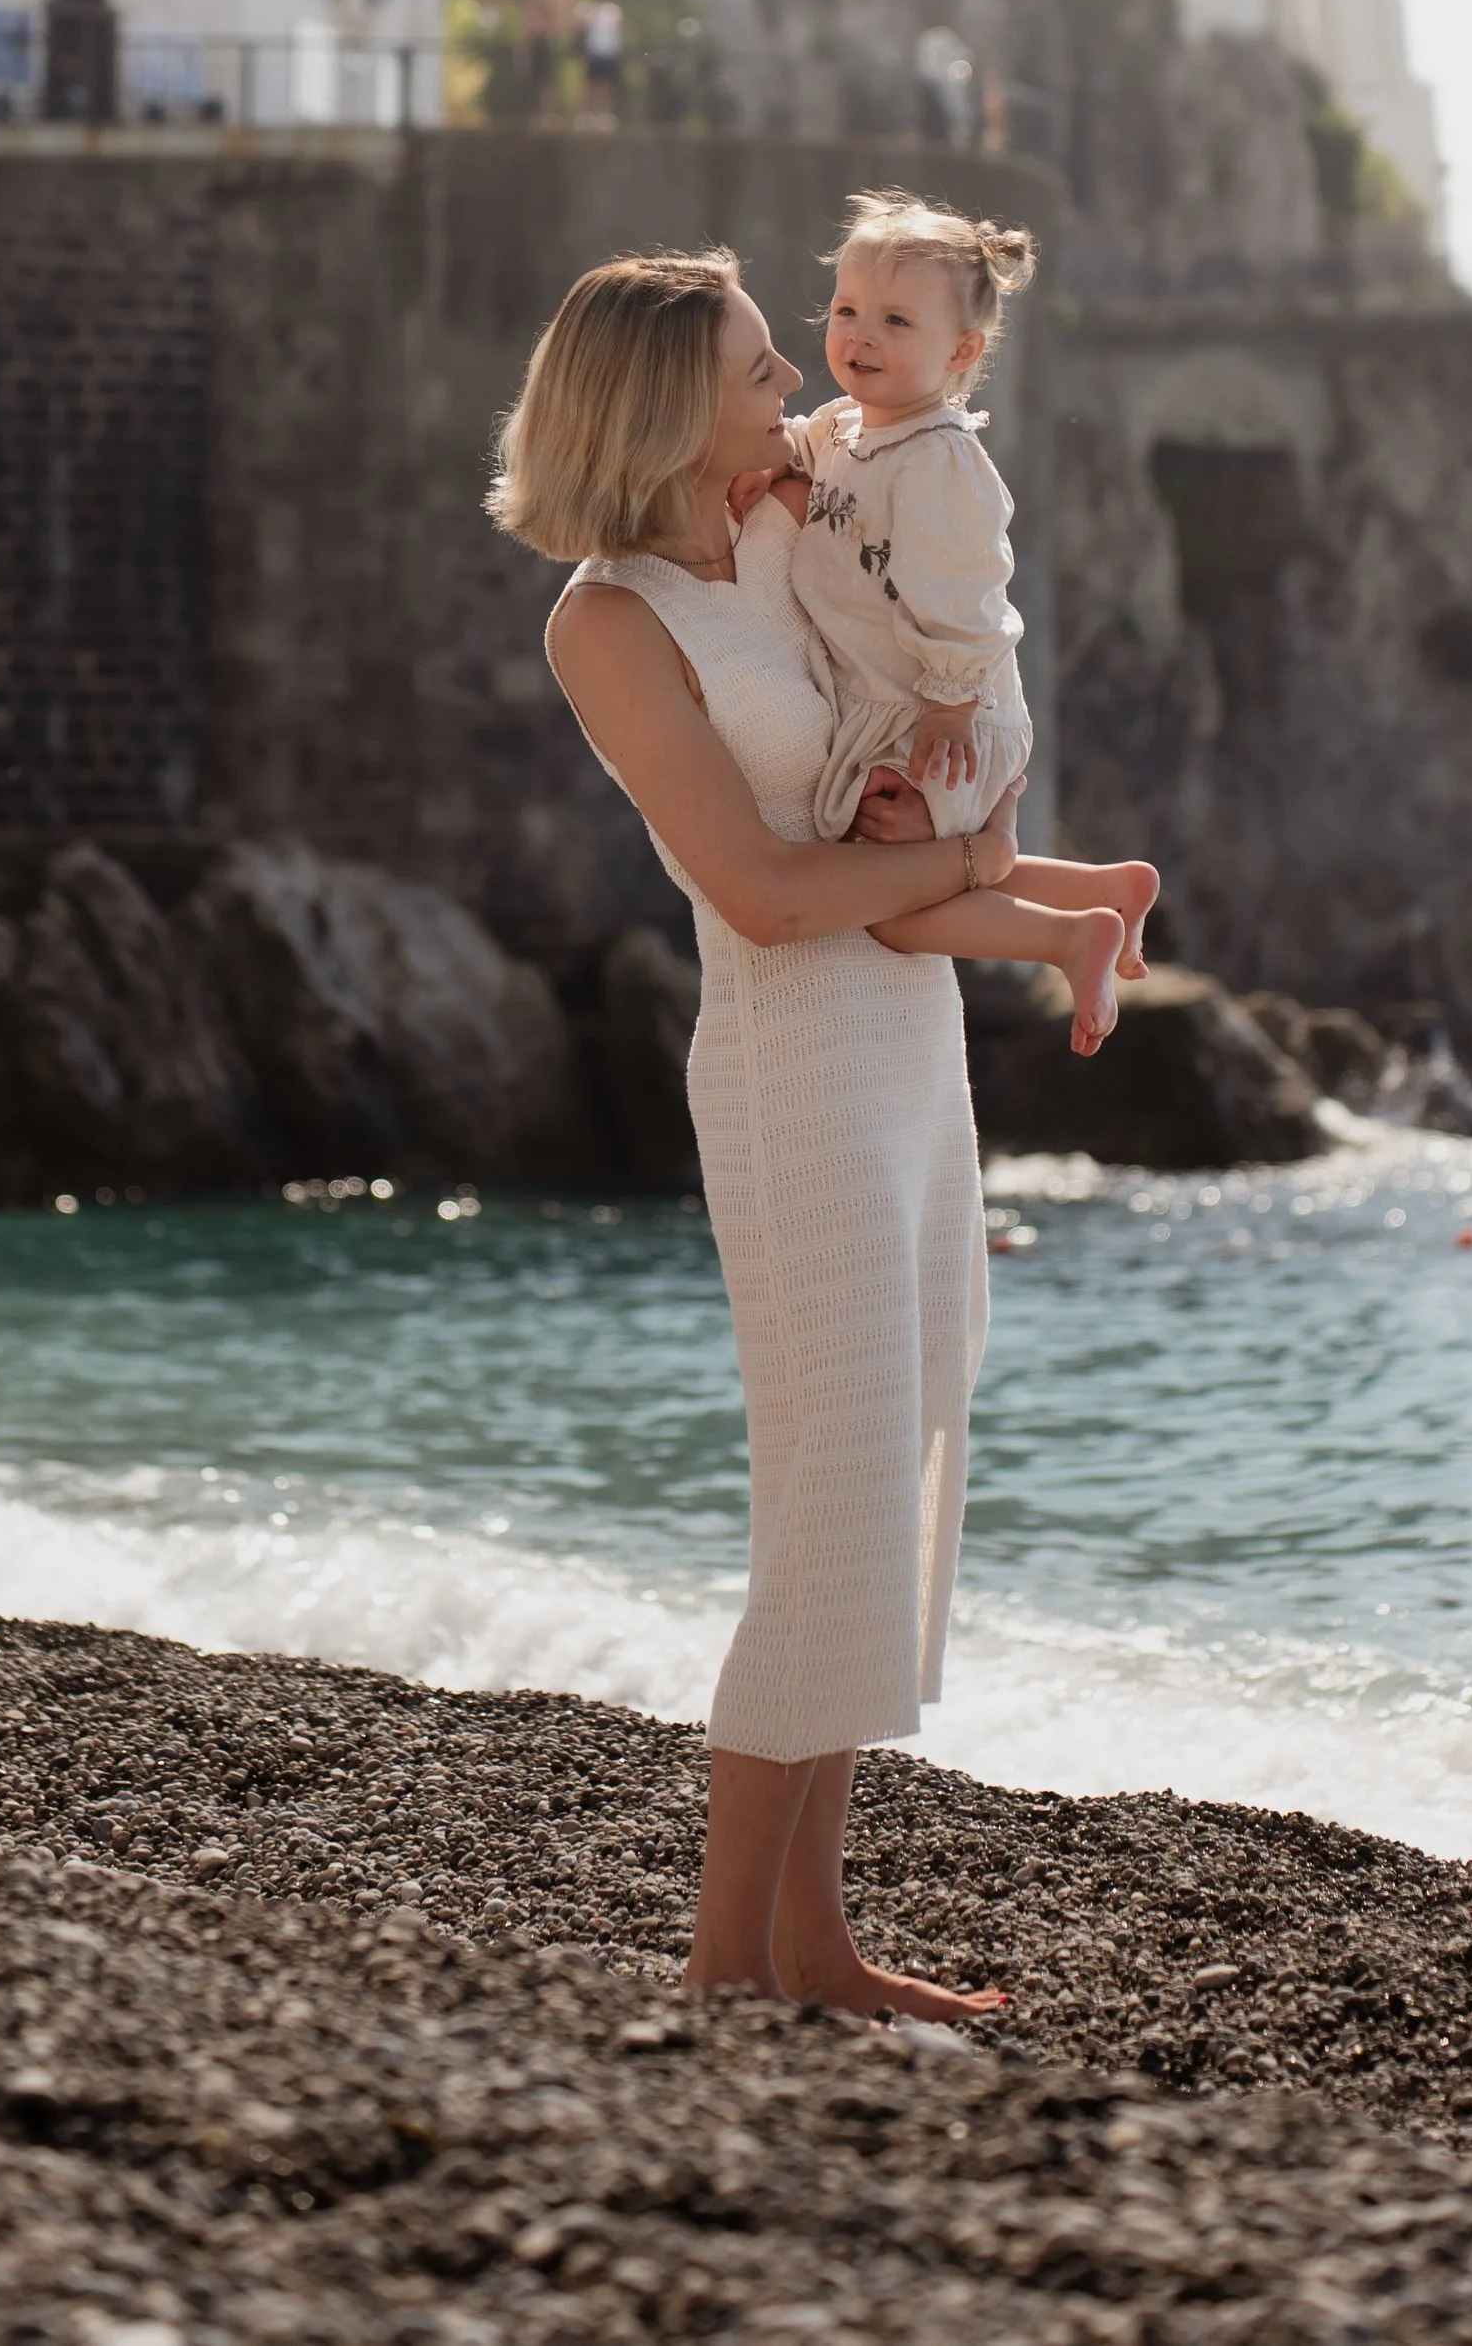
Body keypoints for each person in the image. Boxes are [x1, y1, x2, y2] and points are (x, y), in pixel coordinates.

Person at [490, 246, 1153, 2016]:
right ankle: (727, 1960)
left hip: (910, 1042)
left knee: (894, 1467)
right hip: (791, 1067)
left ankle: (818, 1945)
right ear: (659, 408)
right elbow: (772, 893)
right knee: (827, 1492)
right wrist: (985, 865)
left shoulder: (793, 529)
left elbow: (922, 710)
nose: (796, 384)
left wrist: (1012, 851)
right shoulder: (609, 622)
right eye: (754, 369)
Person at [745, 189, 1159, 1053]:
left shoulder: (938, 459)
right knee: (926, 868)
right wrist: (767, 463)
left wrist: (948, 705)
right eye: (847, 310)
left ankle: (1069, 937)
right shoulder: (847, 427)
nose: (860, 335)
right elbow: (804, 454)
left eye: (896, 321)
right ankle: (1103, 891)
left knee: (892, 905)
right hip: (909, 704)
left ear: (961, 351)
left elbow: (972, 595)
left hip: (943, 710)